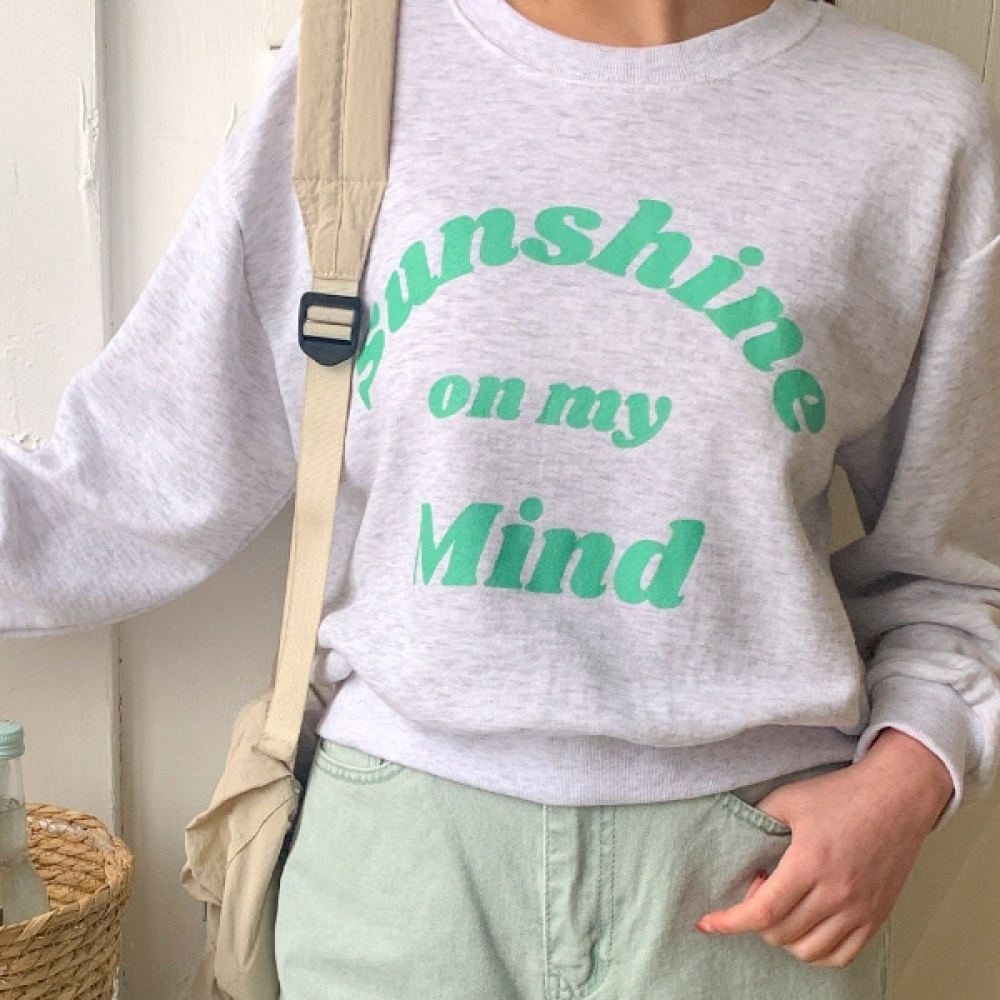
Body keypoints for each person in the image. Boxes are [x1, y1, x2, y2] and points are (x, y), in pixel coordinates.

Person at [2, 0, 998, 996]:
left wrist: (908, 780)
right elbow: (129, 476)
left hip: (754, 881)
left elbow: (963, 565)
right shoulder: (356, 69)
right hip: (403, 869)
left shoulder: (912, 122)